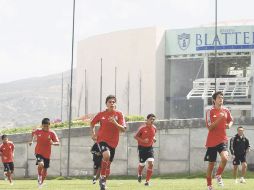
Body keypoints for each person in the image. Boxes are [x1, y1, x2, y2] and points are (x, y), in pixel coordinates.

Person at [90, 95, 126, 190]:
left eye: (113, 102)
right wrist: (93, 133)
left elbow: (123, 129)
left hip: (113, 143)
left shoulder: (119, 114)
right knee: (106, 155)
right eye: (110, 102)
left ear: (116, 104)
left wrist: (115, 122)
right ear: (106, 104)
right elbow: (92, 123)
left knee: (108, 166)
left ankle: (103, 184)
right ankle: (101, 177)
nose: (112, 103)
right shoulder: (101, 114)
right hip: (102, 140)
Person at [204, 91, 233, 190]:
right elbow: (210, 128)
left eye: (222, 97)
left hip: (222, 140)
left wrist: (229, 125)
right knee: (211, 164)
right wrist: (219, 118)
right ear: (214, 100)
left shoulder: (226, 110)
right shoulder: (209, 112)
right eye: (219, 97)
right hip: (211, 142)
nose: (221, 99)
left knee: (225, 158)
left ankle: (218, 174)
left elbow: (231, 120)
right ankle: (209, 185)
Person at [29, 118, 59, 188]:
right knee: (41, 164)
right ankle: (39, 175)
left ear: (49, 125)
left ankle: (40, 183)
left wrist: (53, 143)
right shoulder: (38, 131)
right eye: (44, 126)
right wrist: (32, 141)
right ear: (42, 125)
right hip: (38, 152)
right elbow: (33, 134)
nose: (45, 128)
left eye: (47, 126)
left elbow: (58, 143)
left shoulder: (52, 133)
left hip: (47, 154)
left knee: (45, 169)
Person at [134, 114, 157, 186]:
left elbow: (153, 135)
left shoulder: (154, 128)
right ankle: (139, 174)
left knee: (151, 164)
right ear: (147, 119)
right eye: (151, 119)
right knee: (142, 165)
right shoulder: (142, 128)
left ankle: (147, 182)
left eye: (153, 119)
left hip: (150, 148)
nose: (152, 121)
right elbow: (135, 136)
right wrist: (143, 141)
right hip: (142, 149)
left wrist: (154, 139)